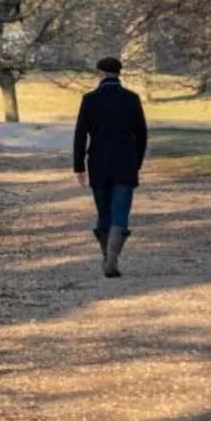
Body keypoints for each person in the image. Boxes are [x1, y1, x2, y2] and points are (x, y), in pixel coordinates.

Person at [73, 56, 149, 277]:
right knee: (121, 211)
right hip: (125, 162)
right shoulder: (131, 99)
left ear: (100, 73)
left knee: (103, 210)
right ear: (119, 73)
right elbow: (141, 134)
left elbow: (80, 135)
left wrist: (79, 166)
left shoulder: (90, 99)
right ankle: (112, 259)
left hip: (98, 162)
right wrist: (137, 162)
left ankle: (107, 256)